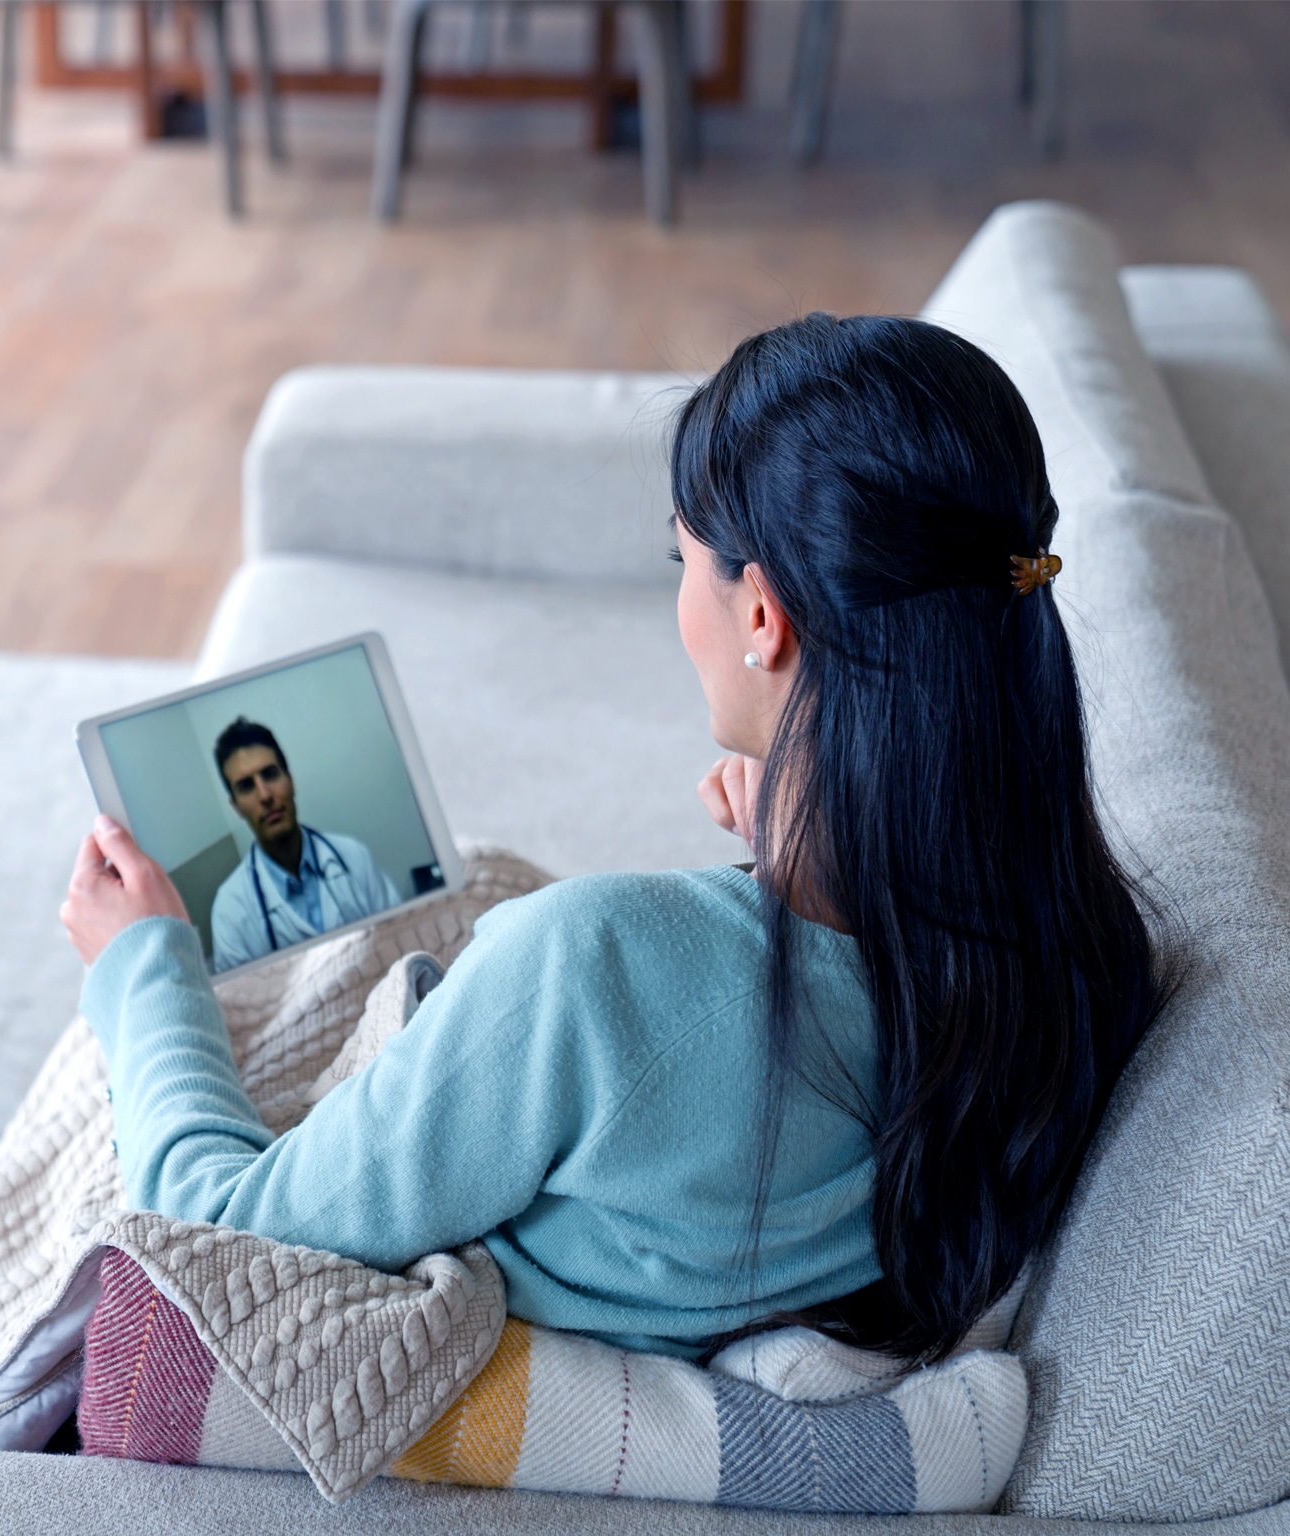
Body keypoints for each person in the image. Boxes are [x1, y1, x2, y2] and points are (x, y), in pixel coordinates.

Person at [61, 314, 1171, 1363]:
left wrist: (141, 969)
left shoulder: (591, 967)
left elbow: (215, 1232)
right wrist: (809, 845)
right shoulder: (1078, 955)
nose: (680, 595)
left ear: (761, 619)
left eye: (683, 560)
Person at [206, 717, 402, 972]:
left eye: (270, 774)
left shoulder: (354, 856)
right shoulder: (230, 911)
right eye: (246, 787)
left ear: (291, 780)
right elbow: (247, 1008)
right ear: (236, 807)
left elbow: (403, 937)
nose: (265, 795)